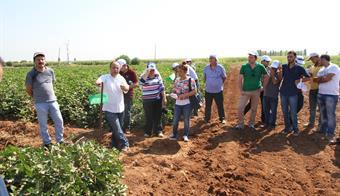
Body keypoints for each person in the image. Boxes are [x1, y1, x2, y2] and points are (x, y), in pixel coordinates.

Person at [25, 52, 64, 149]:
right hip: (40, 103)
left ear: (45, 61)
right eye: (38, 59)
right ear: (34, 62)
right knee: (43, 124)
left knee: (59, 120)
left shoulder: (50, 71)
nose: (40, 61)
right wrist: (36, 97)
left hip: (53, 101)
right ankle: (47, 143)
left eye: (42, 59)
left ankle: (60, 140)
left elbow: (51, 84)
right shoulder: (31, 74)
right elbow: (28, 89)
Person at [96, 60, 130, 151]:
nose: (115, 69)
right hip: (109, 108)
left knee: (118, 128)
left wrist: (125, 87)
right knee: (117, 128)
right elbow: (99, 80)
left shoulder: (121, 78)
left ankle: (114, 144)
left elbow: (127, 87)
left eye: (117, 68)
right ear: (110, 68)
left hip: (120, 107)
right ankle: (125, 144)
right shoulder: (105, 77)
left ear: (119, 69)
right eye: (113, 67)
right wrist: (98, 83)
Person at [278, 51, 310, 136]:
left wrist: (299, 80)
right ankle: (287, 128)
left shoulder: (299, 68)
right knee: (285, 112)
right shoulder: (284, 67)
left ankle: (296, 129)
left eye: (291, 57)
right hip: (283, 92)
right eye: (288, 57)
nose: (289, 58)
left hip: (293, 93)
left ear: (295, 58)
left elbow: (308, 78)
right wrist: (280, 71)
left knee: (293, 112)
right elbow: (281, 78)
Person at [235, 51, 269, 130]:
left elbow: (267, 76)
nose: (249, 58)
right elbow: (240, 79)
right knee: (240, 108)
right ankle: (240, 124)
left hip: (256, 91)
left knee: (254, 108)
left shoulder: (260, 66)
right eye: (249, 57)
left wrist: (263, 87)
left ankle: (251, 124)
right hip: (245, 91)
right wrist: (241, 90)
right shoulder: (244, 66)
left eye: (251, 57)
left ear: (255, 58)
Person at [314, 55, 340, 143]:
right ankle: (323, 130)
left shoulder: (334, 67)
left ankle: (330, 134)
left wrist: (321, 79)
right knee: (322, 113)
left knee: (330, 115)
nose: (319, 61)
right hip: (321, 94)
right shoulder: (321, 69)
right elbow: (316, 80)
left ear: (323, 59)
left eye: (320, 60)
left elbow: (327, 79)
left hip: (331, 95)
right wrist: (322, 79)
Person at [169, 64, 197, 142]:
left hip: (187, 103)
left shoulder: (190, 80)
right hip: (178, 103)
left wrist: (184, 95)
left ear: (185, 71)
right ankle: (174, 134)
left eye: (180, 71)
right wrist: (173, 94)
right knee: (175, 120)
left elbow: (195, 91)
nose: (179, 73)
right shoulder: (177, 80)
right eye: (178, 71)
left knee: (186, 120)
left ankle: (185, 135)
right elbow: (174, 90)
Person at [140, 62, 167, 137]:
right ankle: (148, 132)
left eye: (153, 69)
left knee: (158, 116)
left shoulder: (157, 76)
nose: (152, 71)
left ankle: (158, 131)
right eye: (150, 69)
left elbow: (162, 88)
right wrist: (147, 73)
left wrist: (164, 98)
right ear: (147, 69)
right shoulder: (143, 76)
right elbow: (141, 84)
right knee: (149, 116)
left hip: (157, 99)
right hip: (147, 100)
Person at [243, 55, 271, 125]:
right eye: (267, 61)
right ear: (263, 61)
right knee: (251, 104)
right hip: (257, 89)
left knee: (264, 104)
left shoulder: (269, 69)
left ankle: (263, 119)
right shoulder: (258, 67)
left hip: (264, 90)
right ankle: (242, 114)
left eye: (268, 62)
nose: (268, 63)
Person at [204, 55, 227, 124]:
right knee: (208, 105)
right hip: (208, 90)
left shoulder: (220, 67)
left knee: (220, 105)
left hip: (218, 91)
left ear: (216, 60)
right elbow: (205, 77)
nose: (210, 60)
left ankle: (222, 118)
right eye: (210, 59)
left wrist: (219, 84)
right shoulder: (206, 68)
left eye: (212, 59)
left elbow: (224, 77)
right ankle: (207, 118)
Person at [117, 59, 138, 134]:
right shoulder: (119, 73)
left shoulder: (131, 72)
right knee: (119, 111)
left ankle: (127, 128)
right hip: (119, 94)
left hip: (128, 95)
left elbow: (136, 83)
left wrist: (128, 87)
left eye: (120, 67)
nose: (119, 69)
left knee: (127, 112)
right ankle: (119, 127)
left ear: (125, 65)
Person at [304, 53, 322, 129]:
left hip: (320, 90)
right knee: (312, 107)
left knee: (321, 108)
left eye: (312, 59)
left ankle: (320, 125)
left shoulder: (323, 67)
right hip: (312, 89)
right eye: (310, 59)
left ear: (317, 57)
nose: (311, 60)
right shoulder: (312, 67)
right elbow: (311, 77)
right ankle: (311, 123)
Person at [263, 60, 281, 130]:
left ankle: (272, 124)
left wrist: (272, 74)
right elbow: (263, 82)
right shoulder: (267, 73)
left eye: (274, 68)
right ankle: (267, 123)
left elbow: (274, 82)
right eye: (272, 67)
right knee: (266, 110)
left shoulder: (279, 74)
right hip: (266, 94)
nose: (273, 69)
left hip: (274, 95)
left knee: (273, 111)